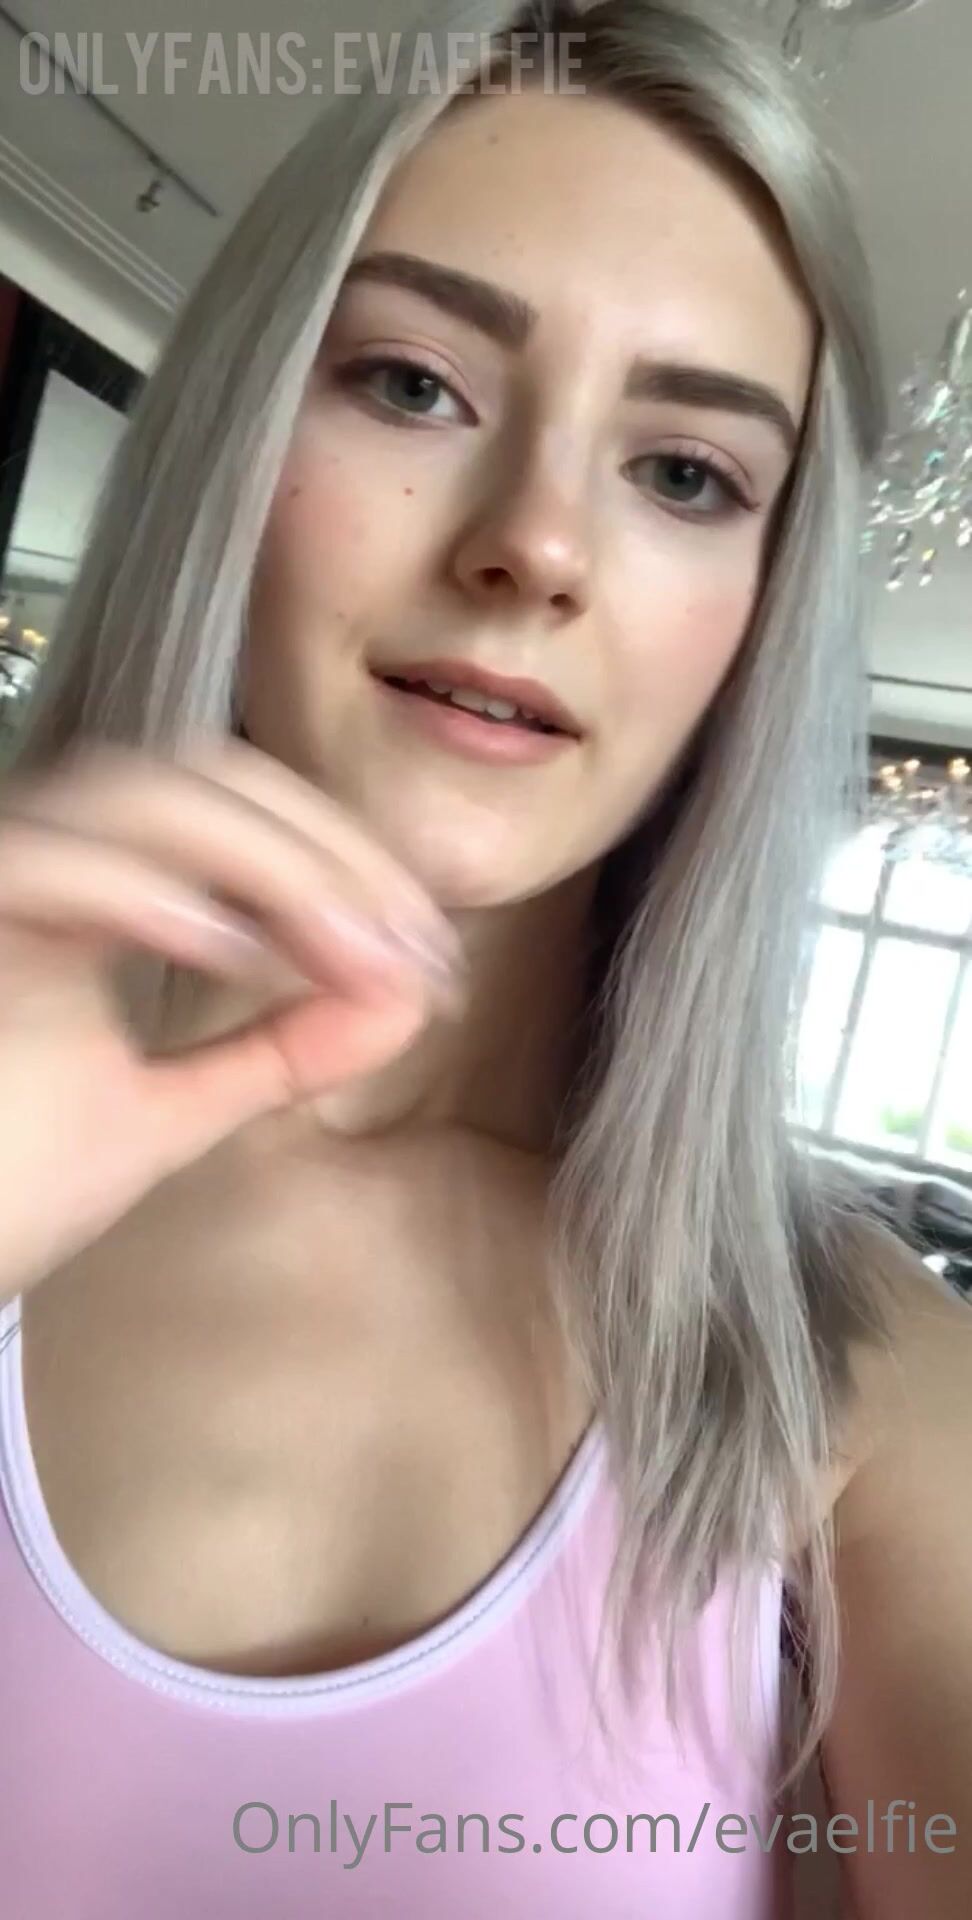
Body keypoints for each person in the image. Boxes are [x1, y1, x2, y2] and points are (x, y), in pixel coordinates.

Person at [0, 1, 969, 1914]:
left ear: (757, 620)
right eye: (415, 383)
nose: (536, 547)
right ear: (234, 437)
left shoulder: (856, 1377)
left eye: (684, 475)